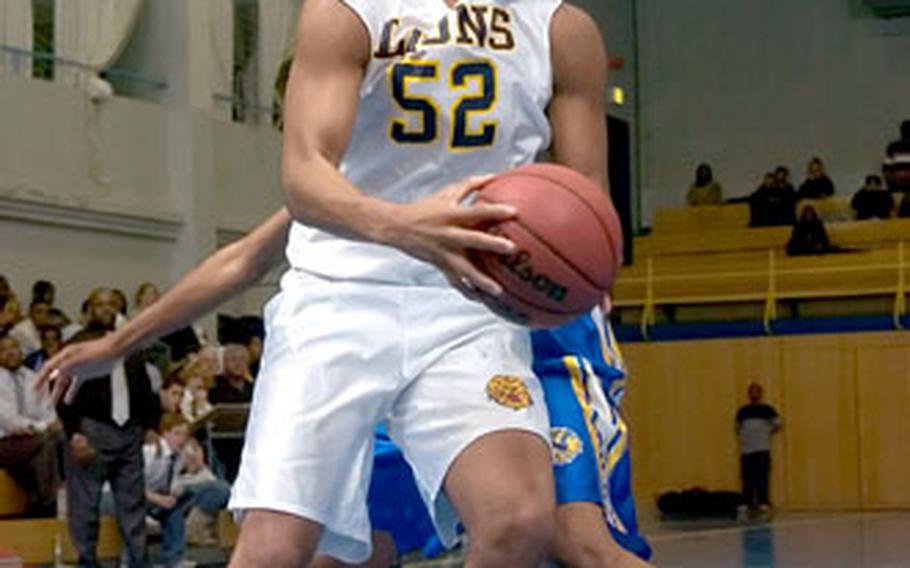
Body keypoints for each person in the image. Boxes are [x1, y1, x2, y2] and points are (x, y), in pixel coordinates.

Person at [39, 2, 649, 566]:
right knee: (279, 551)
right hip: (339, 298)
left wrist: (577, 273)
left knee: (519, 520)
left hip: (472, 305)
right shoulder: (347, 11)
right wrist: (116, 346)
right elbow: (299, 183)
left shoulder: (561, 28)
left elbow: (584, 205)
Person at [56, 288, 159, 567]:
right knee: (85, 508)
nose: (106, 309)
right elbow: (63, 392)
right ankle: (87, 561)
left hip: (129, 431)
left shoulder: (131, 344)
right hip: (91, 430)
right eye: (100, 304)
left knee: (133, 505)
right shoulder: (77, 344)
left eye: (112, 304)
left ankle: (137, 562)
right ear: (89, 309)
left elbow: (144, 388)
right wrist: (74, 431)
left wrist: (151, 424)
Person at [0, 335, 60, 516]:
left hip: (31, 442)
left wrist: (42, 427)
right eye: (4, 349)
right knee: (45, 443)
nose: (11, 353)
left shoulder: (34, 377)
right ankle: (47, 505)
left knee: (60, 439)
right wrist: (42, 427)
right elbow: (10, 421)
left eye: (14, 347)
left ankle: (43, 500)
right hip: (4, 442)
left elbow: (49, 413)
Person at [143, 413, 195, 568]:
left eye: (185, 434)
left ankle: (173, 559)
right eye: (177, 433)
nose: (182, 439)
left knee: (177, 505)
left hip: (158, 496)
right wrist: (157, 499)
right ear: (165, 434)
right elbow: (130, 486)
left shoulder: (179, 456)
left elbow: (173, 483)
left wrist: (170, 497)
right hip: (135, 495)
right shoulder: (150, 452)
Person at [735, 383, 781, 514]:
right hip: (746, 450)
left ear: (761, 394)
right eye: (751, 392)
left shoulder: (768, 409)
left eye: (757, 392)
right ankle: (748, 502)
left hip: (762, 449)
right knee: (747, 478)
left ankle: (763, 502)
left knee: (762, 477)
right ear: (748, 394)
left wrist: (765, 432)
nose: (754, 394)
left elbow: (778, 424)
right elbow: (737, 427)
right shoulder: (742, 410)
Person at [884, 119, 910, 192]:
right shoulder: (893, 147)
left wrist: (892, 186)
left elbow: (887, 171)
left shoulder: (893, 147)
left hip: (897, 187)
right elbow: (887, 171)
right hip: (897, 188)